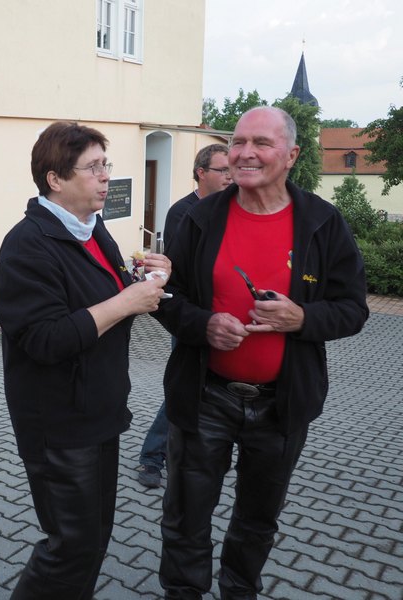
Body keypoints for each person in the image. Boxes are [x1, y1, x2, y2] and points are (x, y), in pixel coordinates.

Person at [153, 106, 369, 599]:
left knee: (257, 521)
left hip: (281, 405)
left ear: (291, 155)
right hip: (205, 396)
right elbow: (167, 297)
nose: (245, 153)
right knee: (186, 516)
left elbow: (353, 309)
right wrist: (203, 324)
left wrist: (302, 318)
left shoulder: (322, 222)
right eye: (238, 142)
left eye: (262, 143)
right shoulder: (201, 217)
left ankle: (239, 590)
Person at [0, 121, 171, 599]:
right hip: (59, 425)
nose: (105, 176)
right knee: (70, 548)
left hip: (99, 413)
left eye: (105, 164)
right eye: (92, 167)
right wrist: (126, 301)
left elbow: (105, 293)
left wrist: (147, 280)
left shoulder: (92, 230)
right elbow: (45, 339)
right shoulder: (27, 246)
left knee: (90, 543)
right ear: (55, 179)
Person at [136, 143, 231, 489]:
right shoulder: (184, 212)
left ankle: (195, 451)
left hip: (223, 317)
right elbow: (183, 270)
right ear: (201, 173)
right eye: (222, 170)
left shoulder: (231, 208)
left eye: (232, 170)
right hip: (191, 316)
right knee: (187, 386)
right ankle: (152, 457)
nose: (230, 177)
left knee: (208, 388)